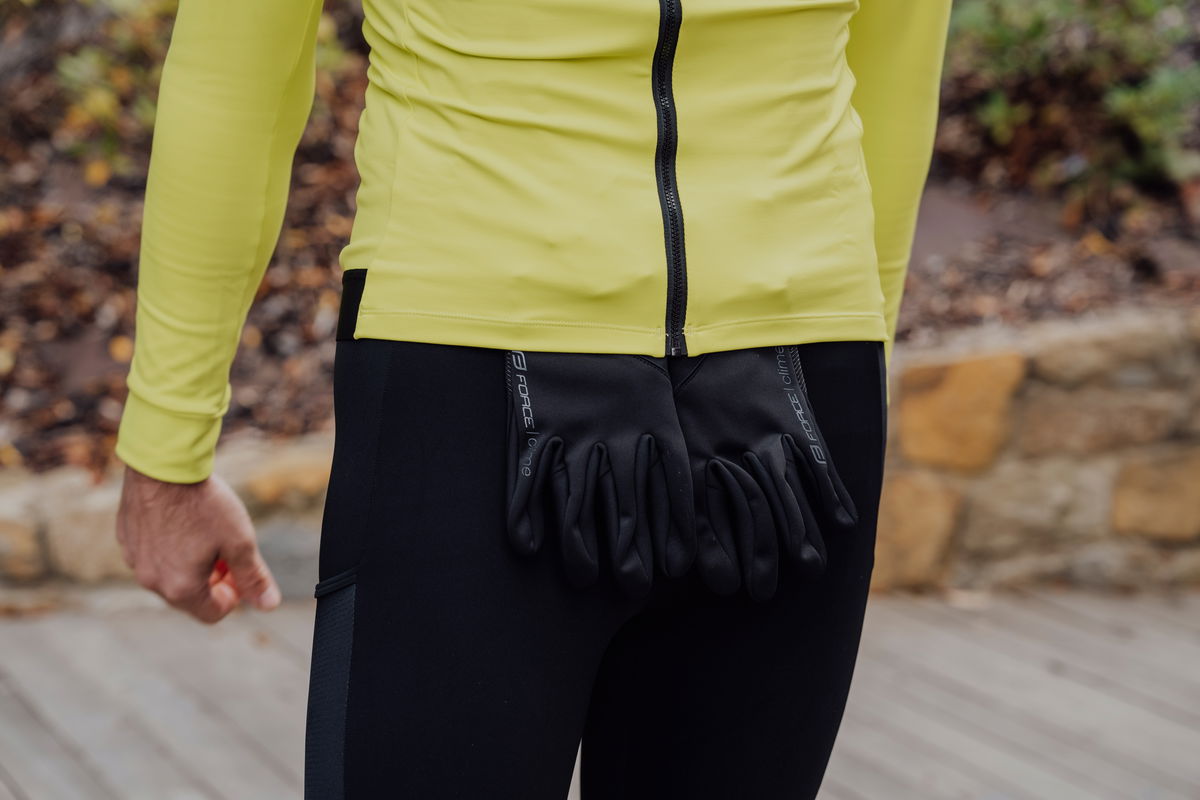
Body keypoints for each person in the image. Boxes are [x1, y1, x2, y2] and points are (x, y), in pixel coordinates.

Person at [114, 1, 953, 797]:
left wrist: (167, 449)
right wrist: (848, 356)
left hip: (494, 382)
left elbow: (235, 72)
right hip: (774, 387)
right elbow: (898, 58)